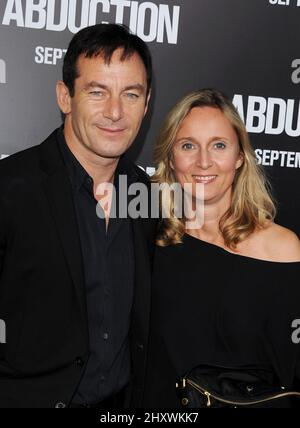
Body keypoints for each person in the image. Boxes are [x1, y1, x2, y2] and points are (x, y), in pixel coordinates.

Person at [0, 24, 156, 408]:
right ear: (65, 97)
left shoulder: (149, 196)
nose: (115, 112)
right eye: (97, 91)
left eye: (131, 94)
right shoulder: (10, 187)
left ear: (147, 102)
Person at [143, 88, 300, 408]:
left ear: (240, 156)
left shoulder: (283, 249)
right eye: (188, 145)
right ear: (171, 158)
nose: (203, 161)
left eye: (218, 145)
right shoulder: (147, 240)